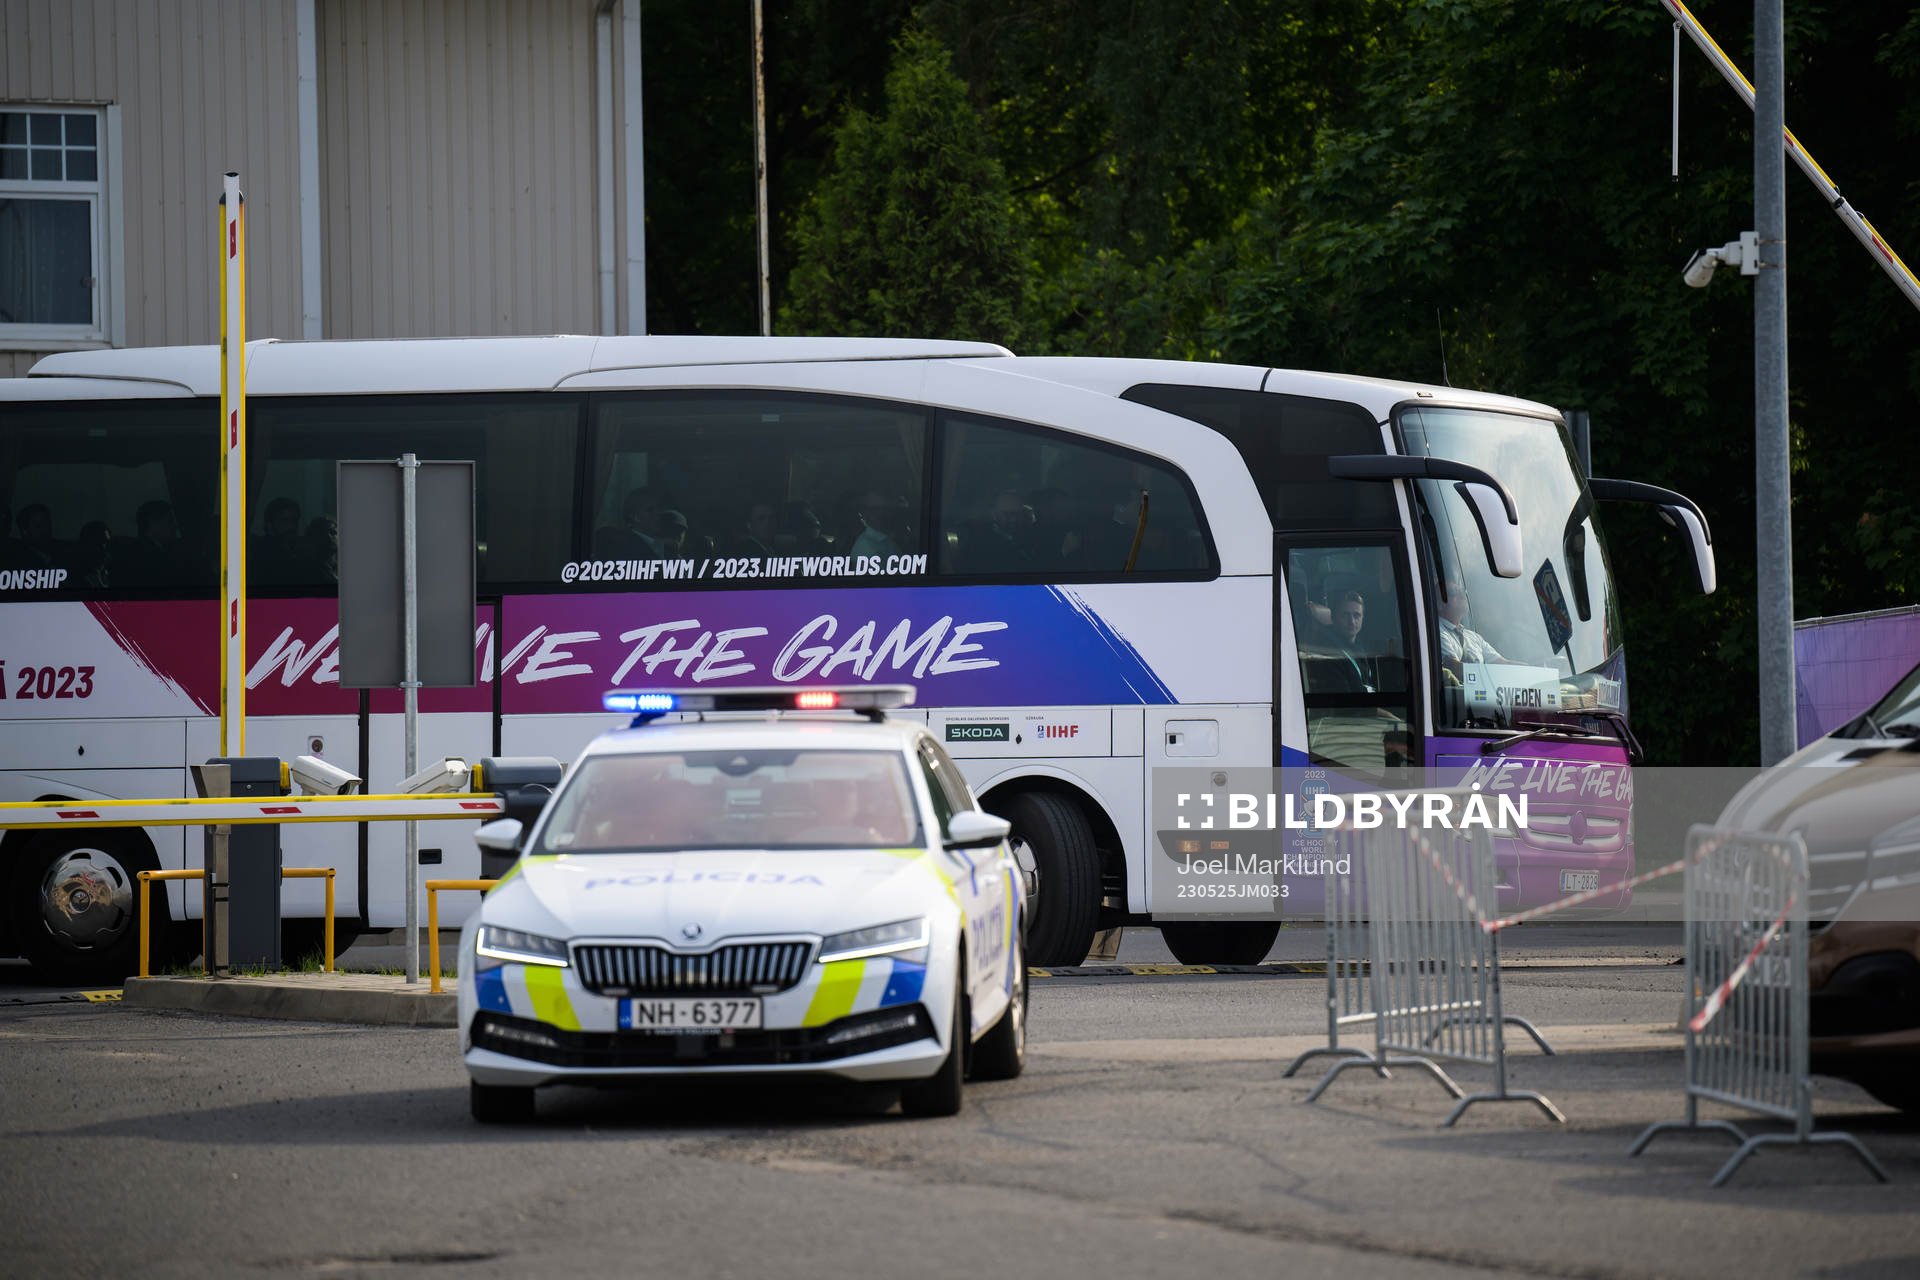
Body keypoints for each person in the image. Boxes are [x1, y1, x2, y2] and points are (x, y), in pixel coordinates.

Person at [1436, 573, 1511, 681]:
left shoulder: (1474, 637)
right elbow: (1453, 668)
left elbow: (1503, 663)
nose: (1462, 595)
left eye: (1462, 592)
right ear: (1440, 604)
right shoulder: (1436, 631)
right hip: (1455, 697)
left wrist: (1531, 669)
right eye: (1454, 593)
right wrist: (1493, 677)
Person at [116, 500, 184, 587]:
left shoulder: (138, 553)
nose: (175, 525)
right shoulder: (145, 558)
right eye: (170, 521)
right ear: (153, 524)